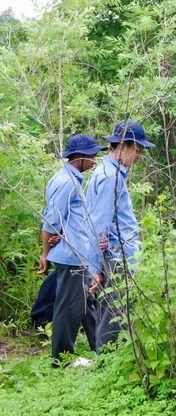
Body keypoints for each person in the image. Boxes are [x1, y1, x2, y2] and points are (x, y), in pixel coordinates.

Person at [86, 120, 155, 353]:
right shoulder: (110, 177)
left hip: (117, 253)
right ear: (123, 146)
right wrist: (95, 266)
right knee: (114, 312)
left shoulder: (109, 172)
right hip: (116, 255)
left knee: (114, 310)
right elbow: (99, 222)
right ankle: (106, 362)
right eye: (137, 149)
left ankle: (108, 358)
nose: (139, 156)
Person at [39, 134, 107, 365]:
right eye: (92, 156)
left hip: (80, 252)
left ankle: (104, 349)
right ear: (80, 157)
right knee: (69, 308)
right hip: (71, 255)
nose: (95, 160)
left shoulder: (68, 178)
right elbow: (51, 219)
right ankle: (61, 360)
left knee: (88, 302)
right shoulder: (67, 183)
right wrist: (45, 254)